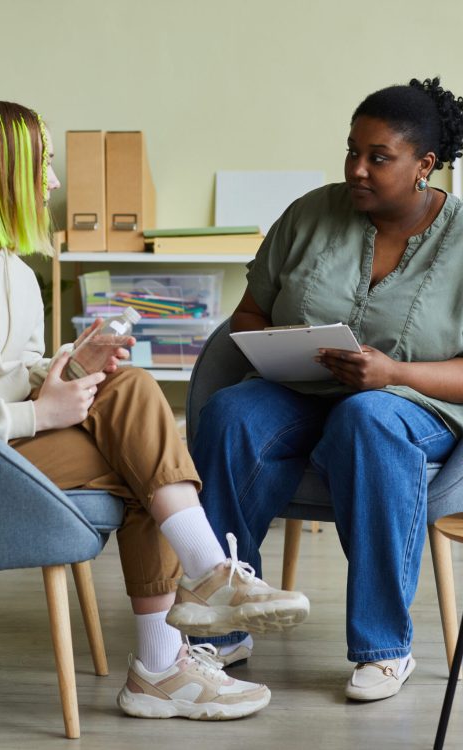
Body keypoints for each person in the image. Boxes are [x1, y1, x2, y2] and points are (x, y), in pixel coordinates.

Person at [0, 99, 310, 721]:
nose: (55, 183)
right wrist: (41, 415)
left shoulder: (7, 264)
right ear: (3, 173)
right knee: (143, 453)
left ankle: (185, 622)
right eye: (42, 165)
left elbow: (6, 373)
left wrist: (67, 369)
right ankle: (172, 643)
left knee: (138, 430)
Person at [190, 76, 463, 702]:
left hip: (418, 403)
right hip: (302, 389)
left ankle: (384, 647)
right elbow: (249, 316)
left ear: (424, 165)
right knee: (231, 412)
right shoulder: (311, 212)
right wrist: (281, 350)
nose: (356, 170)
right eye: (351, 151)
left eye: (378, 158)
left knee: (367, 417)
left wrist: (394, 374)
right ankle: (230, 618)